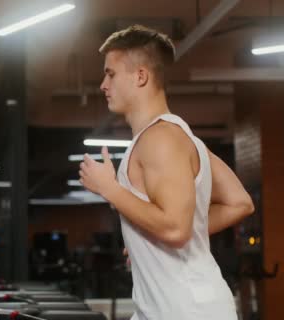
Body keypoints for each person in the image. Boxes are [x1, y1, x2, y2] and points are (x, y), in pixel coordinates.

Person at [79, 24, 254, 320]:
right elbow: (239, 202)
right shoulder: (181, 138)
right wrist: (148, 237)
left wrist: (111, 189)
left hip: (186, 310)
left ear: (141, 76)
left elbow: (175, 228)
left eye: (110, 74)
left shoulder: (161, 139)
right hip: (168, 308)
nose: (103, 85)